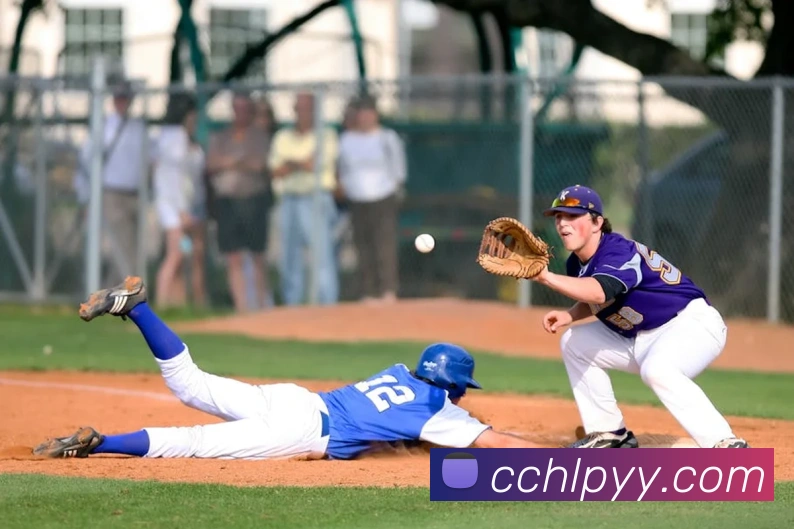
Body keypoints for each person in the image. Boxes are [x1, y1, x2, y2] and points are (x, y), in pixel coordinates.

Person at [32, 277, 539, 460]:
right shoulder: (437, 410)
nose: (462, 399)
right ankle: (100, 444)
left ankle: (138, 307)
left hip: (295, 399)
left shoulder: (401, 372)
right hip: (301, 429)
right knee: (193, 442)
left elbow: (405, 429)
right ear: (450, 385)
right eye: (461, 390)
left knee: (190, 384)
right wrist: (565, 454)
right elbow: (491, 443)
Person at [532, 184, 749, 449]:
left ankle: (724, 443)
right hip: (641, 336)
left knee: (658, 370)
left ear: (597, 222)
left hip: (690, 324)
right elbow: (602, 297)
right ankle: (610, 434)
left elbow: (601, 291)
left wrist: (546, 277)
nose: (563, 223)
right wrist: (571, 314)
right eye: (558, 217)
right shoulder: (576, 263)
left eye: (572, 216)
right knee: (574, 342)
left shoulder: (618, 251)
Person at [268, 92, 340, 306]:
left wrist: (291, 164)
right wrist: (300, 163)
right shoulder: (282, 137)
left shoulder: (326, 135)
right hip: (289, 199)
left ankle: (327, 305)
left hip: (316, 198)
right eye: (299, 108)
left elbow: (315, 165)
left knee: (321, 255)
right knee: (289, 256)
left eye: (308, 108)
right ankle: (292, 304)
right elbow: (276, 171)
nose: (303, 113)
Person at [336, 95, 407, 304]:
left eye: (369, 113)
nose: (365, 118)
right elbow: (341, 169)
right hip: (356, 198)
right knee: (362, 245)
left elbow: (398, 169)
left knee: (384, 244)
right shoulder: (347, 140)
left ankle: (388, 290)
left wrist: (393, 189)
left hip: (383, 196)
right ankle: (368, 291)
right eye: (362, 114)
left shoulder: (387, 138)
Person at [206, 91, 271, 313]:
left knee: (257, 255)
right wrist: (238, 161)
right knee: (232, 256)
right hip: (228, 203)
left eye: (245, 109)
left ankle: (262, 306)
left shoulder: (259, 137)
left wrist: (229, 162)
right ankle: (242, 308)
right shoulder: (221, 136)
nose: (241, 113)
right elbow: (212, 164)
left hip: (253, 201)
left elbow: (259, 164)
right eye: (237, 108)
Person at [152, 94, 207, 308]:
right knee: (175, 255)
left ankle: (179, 303)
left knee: (186, 254)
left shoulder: (178, 138)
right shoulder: (175, 139)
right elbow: (176, 179)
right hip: (175, 209)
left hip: (184, 207)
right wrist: (182, 211)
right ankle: (162, 303)